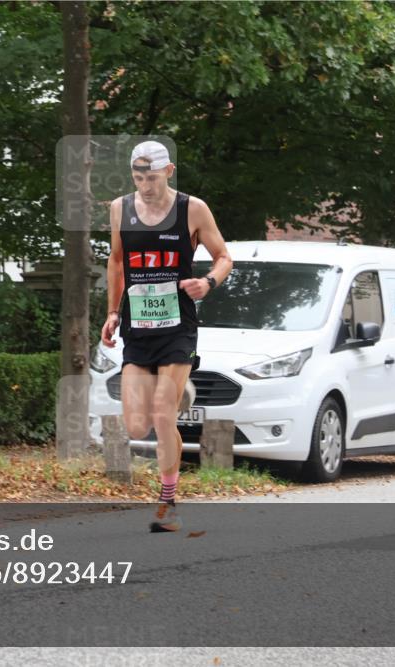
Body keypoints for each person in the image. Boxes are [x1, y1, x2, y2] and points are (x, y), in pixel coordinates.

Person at [101, 141, 232, 532]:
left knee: (161, 415)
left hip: (178, 326)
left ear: (169, 171)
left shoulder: (192, 209)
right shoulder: (119, 208)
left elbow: (224, 256)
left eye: (152, 177)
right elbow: (116, 261)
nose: (145, 185)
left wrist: (208, 282)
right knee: (137, 426)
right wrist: (111, 312)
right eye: (138, 177)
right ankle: (177, 394)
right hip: (137, 328)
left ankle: (168, 503)